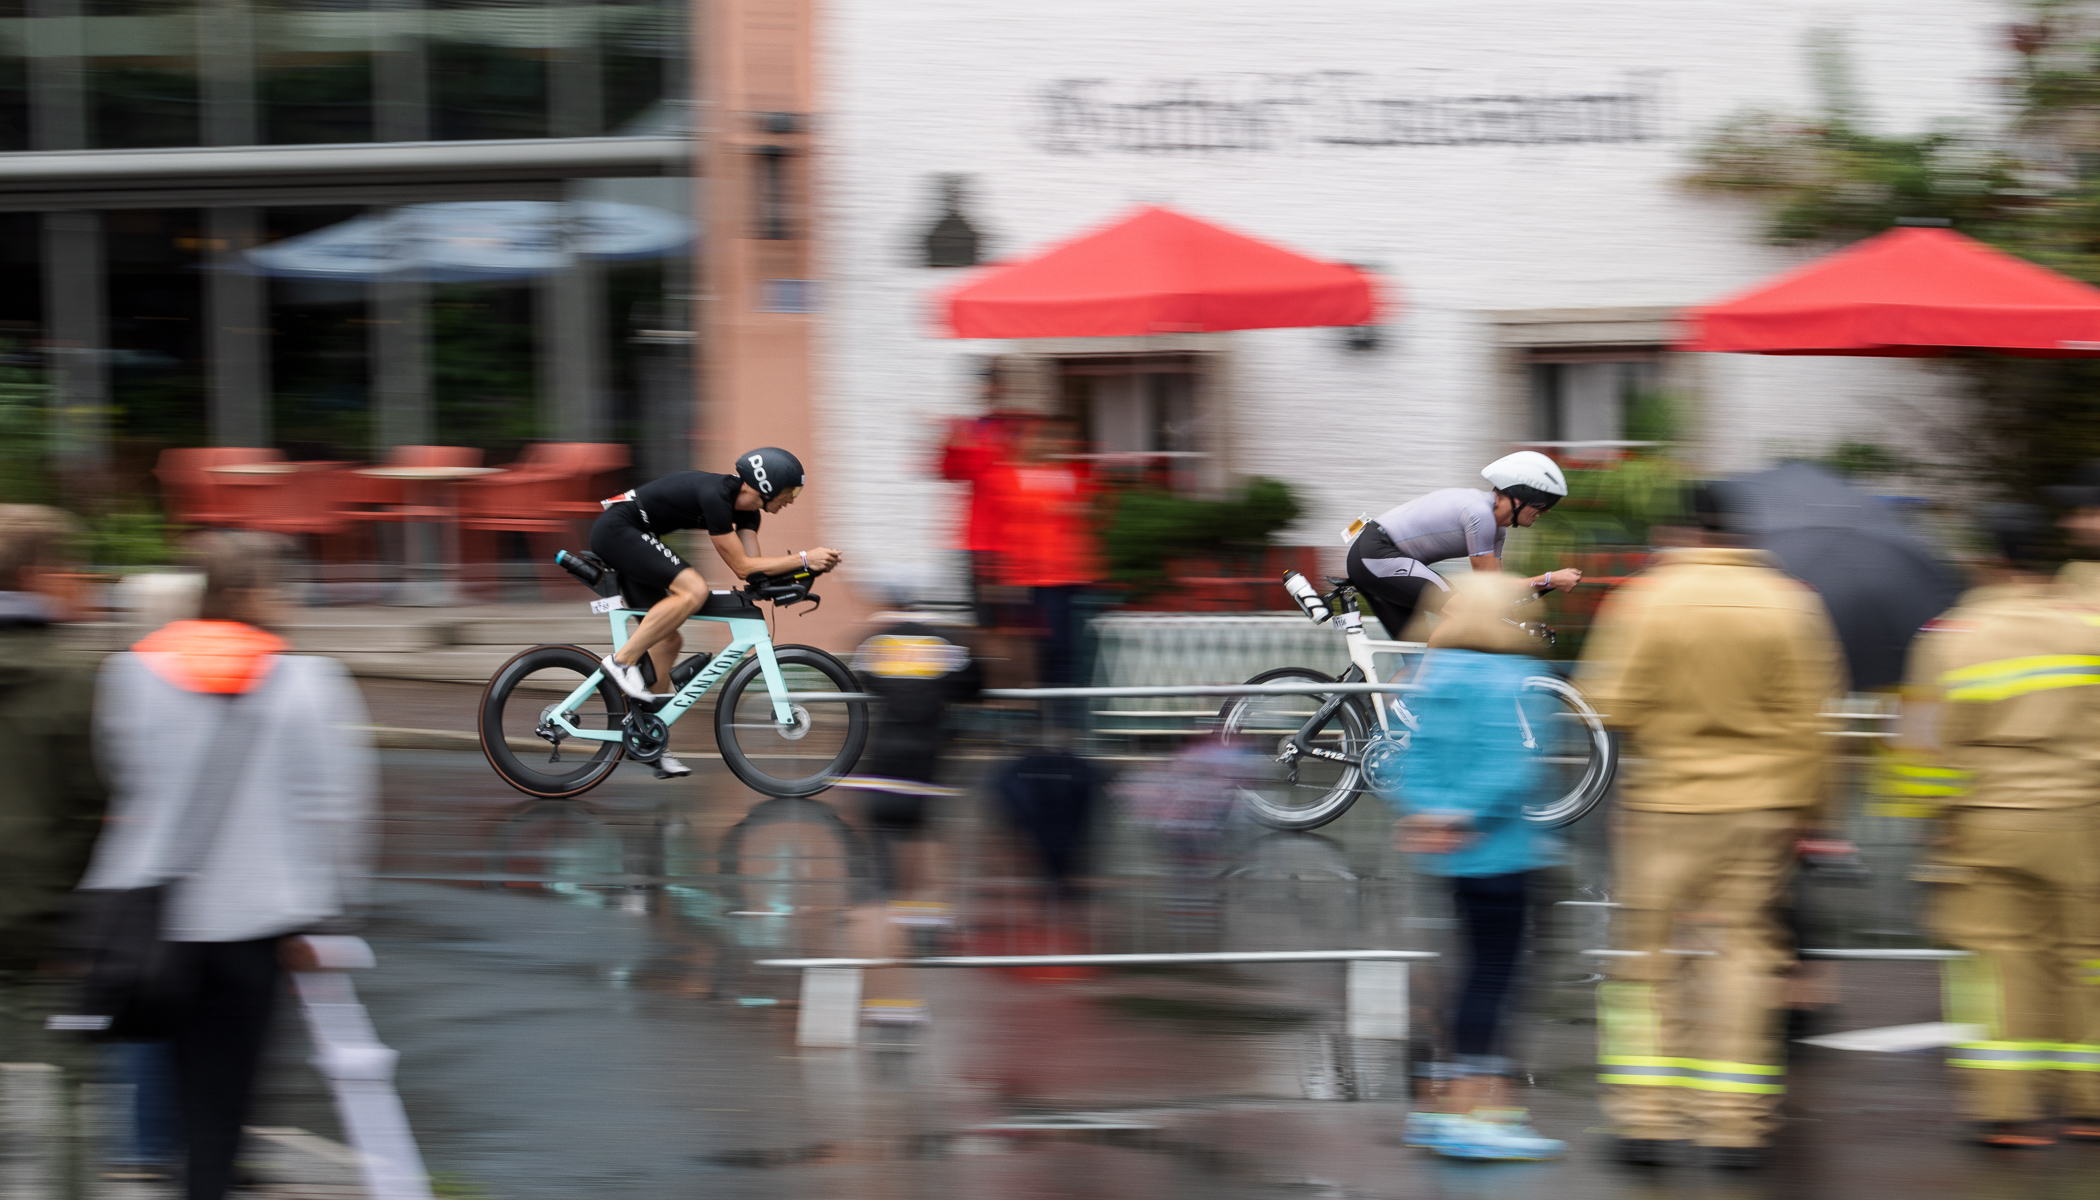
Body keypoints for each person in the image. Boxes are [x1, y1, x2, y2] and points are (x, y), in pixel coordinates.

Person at [84, 531, 376, 1200]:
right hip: (257, 922)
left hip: (156, 919)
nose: (291, 600)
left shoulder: (130, 672)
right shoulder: (310, 682)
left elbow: (124, 778)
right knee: (227, 1105)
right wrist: (333, 911)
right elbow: (336, 808)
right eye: (282, 586)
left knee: (178, 1090)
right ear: (248, 594)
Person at [1577, 483, 1845, 1168]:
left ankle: (1645, 1122)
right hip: (1760, 810)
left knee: (1647, 960)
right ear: (1743, 533)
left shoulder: (1648, 597)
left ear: (1688, 530)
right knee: (1743, 961)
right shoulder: (1792, 604)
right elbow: (1815, 724)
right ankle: (1733, 1126)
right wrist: (1812, 814)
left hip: (1666, 806)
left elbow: (1608, 702)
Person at [1897, 474, 2100, 1148]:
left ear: (1990, 558)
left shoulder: (1956, 634)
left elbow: (1925, 747)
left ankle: (2008, 1110)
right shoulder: (2088, 624)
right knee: (2084, 958)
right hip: (2080, 816)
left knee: (1998, 961)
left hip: (1989, 820)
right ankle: (2087, 1104)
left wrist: (1928, 818)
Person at [1384, 573, 1564, 1161]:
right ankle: (1474, 1116)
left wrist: (1428, 815)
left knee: (1463, 975)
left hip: (1450, 858)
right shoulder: (1516, 680)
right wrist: (1463, 815)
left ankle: (1442, 1109)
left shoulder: (1433, 677)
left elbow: (1407, 759)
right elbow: (1516, 769)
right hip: (1502, 853)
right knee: (1493, 980)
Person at [589, 448, 842, 777]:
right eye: (789, 491)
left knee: (668, 641)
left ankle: (650, 737)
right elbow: (740, 565)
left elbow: (754, 572)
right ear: (767, 486)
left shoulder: (750, 514)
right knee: (694, 589)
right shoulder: (716, 496)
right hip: (618, 529)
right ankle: (621, 663)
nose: (792, 499)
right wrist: (805, 558)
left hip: (637, 536)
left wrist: (806, 574)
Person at [0, 506, 109, 1198]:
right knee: (69, 1091)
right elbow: (94, 806)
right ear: (38, 573)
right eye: (69, 564)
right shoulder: (78, 677)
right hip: (48, 926)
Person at [1345, 450, 1585, 639]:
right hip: (1378, 555)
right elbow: (1489, 591)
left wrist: (1542, 588)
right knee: (1465, 614)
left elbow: (1496, 590)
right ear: (1518, 497)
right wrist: (1550, 579)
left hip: (1378, 561)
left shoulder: (1497, 529)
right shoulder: (1480, 515)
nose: (1546, 510)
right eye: (1542, 503)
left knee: (1417, 658)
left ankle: (1394, 701)